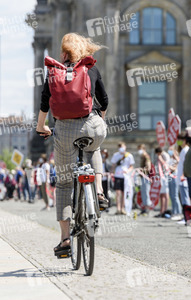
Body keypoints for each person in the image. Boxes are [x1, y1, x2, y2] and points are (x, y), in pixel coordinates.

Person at [36, 33, 108, 257]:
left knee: (65, 184)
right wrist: (98, 123)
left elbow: (44, 103)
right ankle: (98, 192)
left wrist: (42, 127)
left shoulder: (54, 71)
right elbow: (104, 101)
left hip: (65, 130)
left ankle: (65, 240)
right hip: (92, 125)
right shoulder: (90, 68)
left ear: (65, 52)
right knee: (93, 147)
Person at [111, 142, 135, 215]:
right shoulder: (116, 155)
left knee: (124, 193)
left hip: (125, 176)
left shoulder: (129, 156)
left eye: (122, 146)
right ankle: (118, 208)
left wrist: (128, 171)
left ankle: (122, 208)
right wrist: (112, 172)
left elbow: (131, 166)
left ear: (125, 147)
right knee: (118, 193)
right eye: (120, 147)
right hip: (118, 175)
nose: (121, 148)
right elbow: (113, 165)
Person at [176, 132, 191, 225]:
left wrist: (183, 175)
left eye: (180, 140)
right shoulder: (182, 150)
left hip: (184, 179)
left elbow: (187, 164)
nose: (178, 142)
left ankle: (188, 217)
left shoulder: (186, 150)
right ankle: (185, 216)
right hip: (181, 179)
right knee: (183, 198)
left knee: (185, 199)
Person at [155, 147, 171, 218]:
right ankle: (161, 210)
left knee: (165, 194)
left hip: (165, 176)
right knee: (161, 195)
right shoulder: (160, 155)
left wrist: (160, 159)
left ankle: (165, 210)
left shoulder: (165, 155)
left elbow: (166, 165)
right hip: (160, 176)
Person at [167, 146, 183, 221]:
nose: (169, 151)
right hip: (170, 177)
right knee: (172, 196)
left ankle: (179, 213)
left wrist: (175, 156)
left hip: (175, 177)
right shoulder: (170, 159)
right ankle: (174, 212)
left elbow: (177, 165)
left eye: (171, 150)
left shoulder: (177, 158)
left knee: (175, 196)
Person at [137, 144, 153, 215]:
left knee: (146, 192)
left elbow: (148, 168)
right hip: (143, 177)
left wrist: (141, 170)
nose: (139, 151)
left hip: (146, 177)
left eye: (140, 149)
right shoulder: (142, 157)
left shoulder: (146, 157)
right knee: (143, 192)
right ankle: (144, 208)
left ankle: (147, 208)